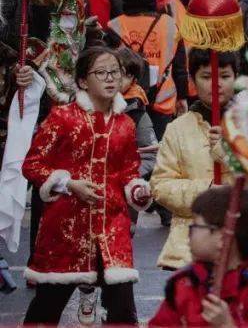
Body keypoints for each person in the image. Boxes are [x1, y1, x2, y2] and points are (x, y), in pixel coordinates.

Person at [22, 47, 152, 325]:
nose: (110, 79)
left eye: (115, 73)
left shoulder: (126, 124)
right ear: (82, 81)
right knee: (46, 308)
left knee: (123, 312)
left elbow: (129, 170)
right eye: (101, 73)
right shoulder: (62, 118)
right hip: (66, 231)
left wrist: (138, 190)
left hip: (112, 230)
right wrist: (68, 183)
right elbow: (32, 164)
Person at [149, 186, 248, 327]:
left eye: (196, 226)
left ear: (223, 238)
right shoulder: (186, 283)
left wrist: (227, 325)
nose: (189, 233)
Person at [151, 49, 239, 270]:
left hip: (240, 245)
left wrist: (230, 153)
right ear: (192, 81)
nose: (216, 84)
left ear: (236, 78)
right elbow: (161, 186)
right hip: (188, 249)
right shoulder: (177, 129)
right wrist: (208, 192)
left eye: (225, 77)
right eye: (207, 77)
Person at [108, 0, 186, 140]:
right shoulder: (170, 24)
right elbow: (179, 66)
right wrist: (183, 97)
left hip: (127, 101)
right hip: (162, 102)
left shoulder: (114, 25)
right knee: (156, 153)